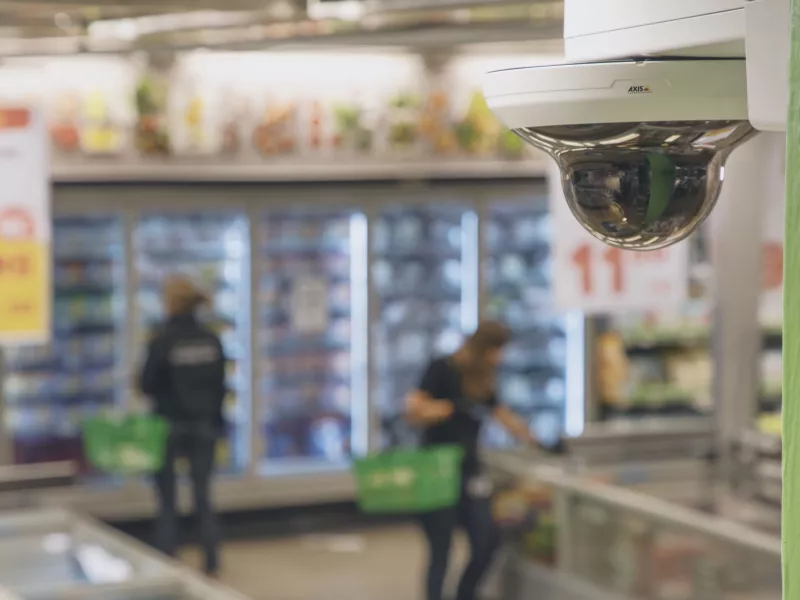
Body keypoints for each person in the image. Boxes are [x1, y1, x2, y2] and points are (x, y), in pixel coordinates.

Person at [405, 321, 534, 600]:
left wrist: (534, 439)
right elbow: (414, 409)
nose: (498, 358)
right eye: (495, 350)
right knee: (441, 550)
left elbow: (500, 413)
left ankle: (466, 592)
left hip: (469, 471)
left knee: (486, 539)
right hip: (437, 470)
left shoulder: (482, 379)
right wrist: (449, 408)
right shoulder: (442, 368)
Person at [139, 275, 226, 576]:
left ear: (170, 303)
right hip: (204, 425)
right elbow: (220, 386)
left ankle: (167, 560)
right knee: (203, 495)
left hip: (169, 426)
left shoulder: (162, 340)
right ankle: (211, 558)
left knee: (167, 499)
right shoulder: (210, 339)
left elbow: (146, 383)